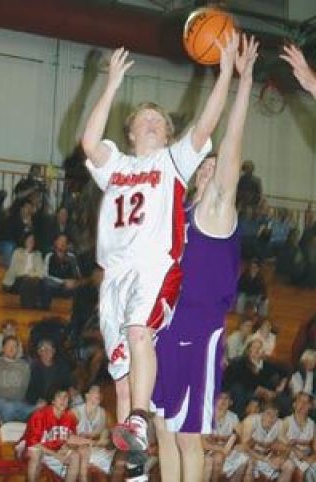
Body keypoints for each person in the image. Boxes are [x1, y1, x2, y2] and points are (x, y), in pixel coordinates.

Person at [82, 33, 238, 462]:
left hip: (154, 266)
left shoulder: (171, 160)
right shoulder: (116, 165)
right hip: (113, 275)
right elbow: (90, 143)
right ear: (130, 132)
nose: (150, 122)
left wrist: (223, 74)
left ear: (168, 132)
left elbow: (206, 125)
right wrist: (111, 83)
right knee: (122, 377)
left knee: (139, 332)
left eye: (158, 119)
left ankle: (136, 418)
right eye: (143, 119)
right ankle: (134, 457)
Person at [151, 34, 259, 482]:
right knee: (161, 424)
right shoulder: (181, 212)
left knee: (189, 435)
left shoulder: (217, 212)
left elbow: (230, 143)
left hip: (200, 331)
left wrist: (242, 80)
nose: (215, 166)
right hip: (167, 323)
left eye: (221, 165)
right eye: (209, 163)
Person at [19, 386, 80, 482]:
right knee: (36, 454)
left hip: (54, 449)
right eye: (59, 396)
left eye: (66, 397)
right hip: (30, 447)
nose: (63, 400)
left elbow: (72, 439)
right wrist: (57, 455)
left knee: (75, 456)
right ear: (53, 400)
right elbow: (33, 443)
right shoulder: (39, 415)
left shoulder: (70, 418)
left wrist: (67, 447)